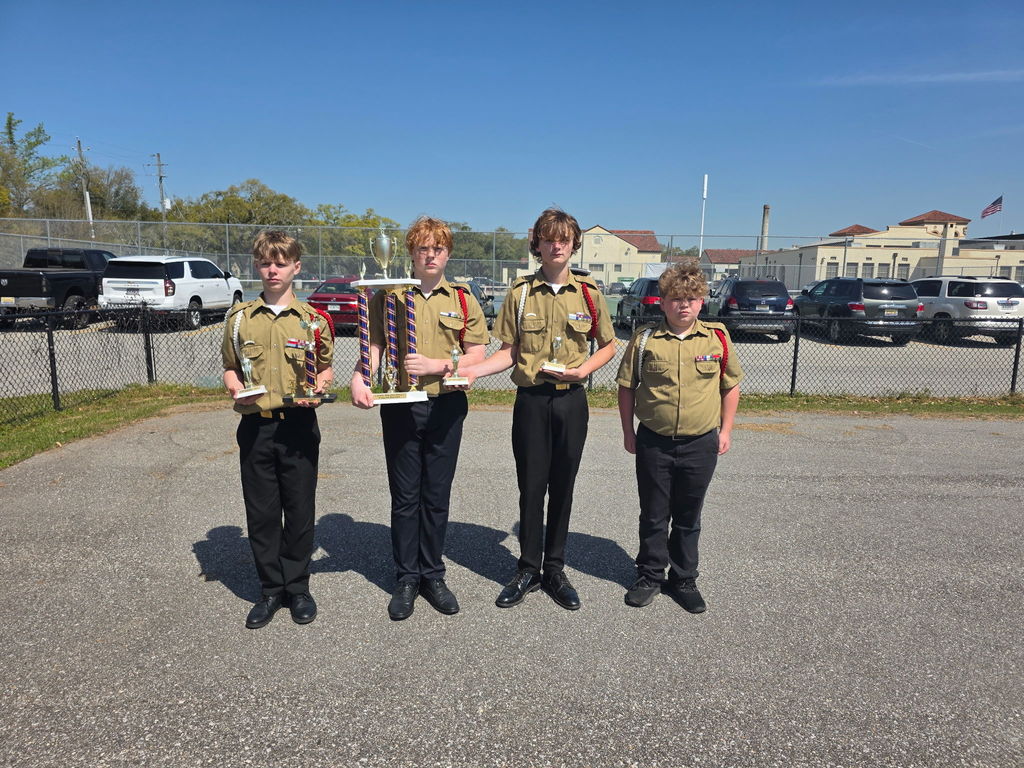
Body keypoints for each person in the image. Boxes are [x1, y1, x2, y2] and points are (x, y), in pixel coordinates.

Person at [459, 208, 616, 611]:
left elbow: (609, 345)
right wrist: (473, 371)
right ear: (538, 245)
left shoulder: (589, 293)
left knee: (563, 486)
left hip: (571, 402)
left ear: (574, 244)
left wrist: (584, 370)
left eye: (563, 239)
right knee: (531, 487)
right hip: (531, 401)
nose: (556, 245)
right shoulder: (521, 293)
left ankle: (555, 569)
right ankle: (528, 568)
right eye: (549, 239)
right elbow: (508, 352)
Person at [350, 216, 489, 621]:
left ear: (448, 254)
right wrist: (360, 377)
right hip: (400, 405)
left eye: (438, 248)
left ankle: (433, 575)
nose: (430, 255)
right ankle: (407, 578)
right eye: (423, 248)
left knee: (436, 495)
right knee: (406, 495)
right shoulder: (390, 296)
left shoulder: (462, 298)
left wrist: (439, 365)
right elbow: (374, 344)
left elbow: (476, 353)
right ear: (410, 253)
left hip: (446, 404)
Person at [221, 230, 334, 629]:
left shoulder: (313, 320)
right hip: (256, 426)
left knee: (300, 510)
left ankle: (298, 587)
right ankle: (271, 589)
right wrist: (234, 387)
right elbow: (230, 366)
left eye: (281, 263)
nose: (273, 270)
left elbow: (324, 369)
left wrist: (319, 389)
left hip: (298, 426)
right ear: (257, 265)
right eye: (266, 263)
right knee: (262, 512)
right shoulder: (239, 319)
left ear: (295, 267)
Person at [615, 262, 742, 613]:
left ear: (701, 302)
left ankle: (683, 578)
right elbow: (627, 387)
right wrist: (627, 431)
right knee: (654, 514)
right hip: (654, 441)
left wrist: (726, 430)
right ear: (662, 302)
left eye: (690, 298)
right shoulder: (645, 339)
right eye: (675, 298)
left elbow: (730, 386)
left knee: (688, 516)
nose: (683, 305)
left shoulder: (717, 338)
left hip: (700, 443)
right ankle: (650, 576)